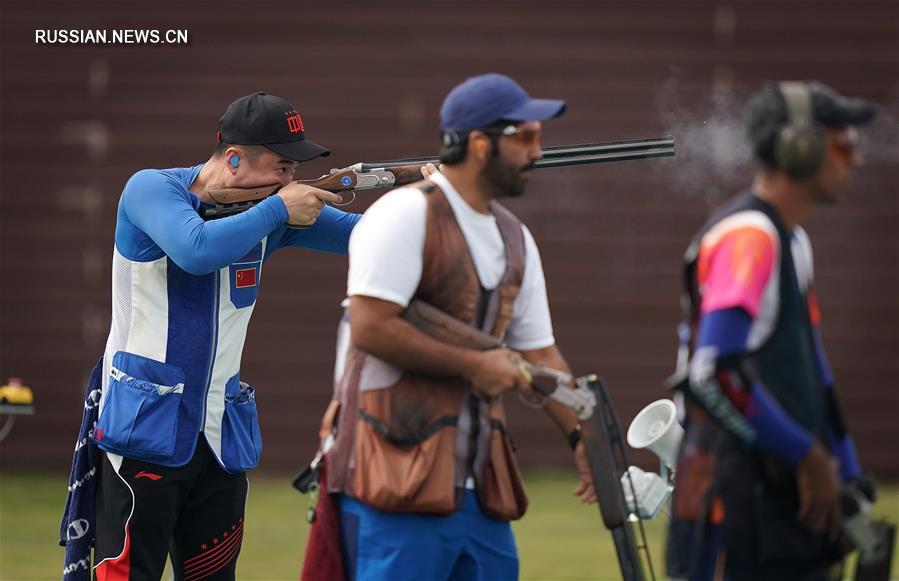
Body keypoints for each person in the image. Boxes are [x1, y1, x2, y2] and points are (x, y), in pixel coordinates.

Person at [61, 91, 364, 580]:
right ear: (235, 158)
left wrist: (434, 201)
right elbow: (196, 250)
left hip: (221, 439)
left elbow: (363, 234)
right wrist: (278, 209)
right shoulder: (151, 189)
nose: (289, 181)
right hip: (143, 432)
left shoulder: (270, 210)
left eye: (293, 170)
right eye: (281, 166)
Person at [312, 73, 597, 581]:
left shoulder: (515, 237)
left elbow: (540, 353)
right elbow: (370, 327)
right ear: (481, 145)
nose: (537, 151)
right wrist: (476, 365)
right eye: (526, 136)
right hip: (392, 476)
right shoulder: (403, 213)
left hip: (480, 483)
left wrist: (583, 438)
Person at [667, 81, 877, 580]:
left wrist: (847, 474)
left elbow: (816, 372)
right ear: (799, 147)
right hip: (735, 507)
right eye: (843, 145)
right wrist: (807, 456)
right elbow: (714, 374)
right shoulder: (751, 238)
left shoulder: (791, 240)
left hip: (775, 501)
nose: (855, 161)